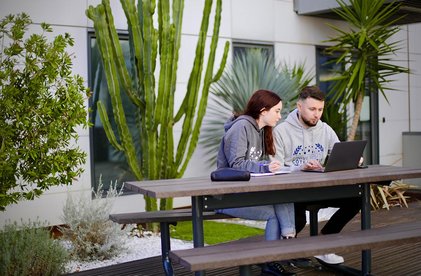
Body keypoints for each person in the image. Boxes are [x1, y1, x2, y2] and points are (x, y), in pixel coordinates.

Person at [273, 86, 361, 265]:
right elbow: (275, 169)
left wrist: (353, 158)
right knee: (297, 219)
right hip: (292, 191)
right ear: (299, 106)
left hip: (320, 189)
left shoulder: (325, 129)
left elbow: (338, 152)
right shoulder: (281, 132)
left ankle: (324, 243)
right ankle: (284, 255)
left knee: (356, 199)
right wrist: (300, 168)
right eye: (312, 109)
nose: (317, 114)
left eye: (320, 109)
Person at [216, 89, 296, 276]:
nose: (280, 115)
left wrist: (272, 166)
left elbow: (256, 163)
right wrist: (265, 168)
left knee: (284, 193)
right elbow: (236, 164)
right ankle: (282, 250)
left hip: (247, 192)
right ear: (263, 110)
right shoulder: (241, 127)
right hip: (227, 196)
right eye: (277, 111)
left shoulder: (261, 130)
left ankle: (280, 250)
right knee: (274, 214)